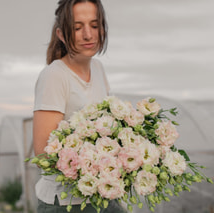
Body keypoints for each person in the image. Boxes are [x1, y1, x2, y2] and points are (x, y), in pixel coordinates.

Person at [33, 0, 126, 212]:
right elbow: (42, 154)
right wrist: (95, 162)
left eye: (94, 25)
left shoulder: (99, 69)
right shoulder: (55, 76)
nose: (88, 35)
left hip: (101, 194)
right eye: (77, 27)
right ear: (61, 35)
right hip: (67, 202)